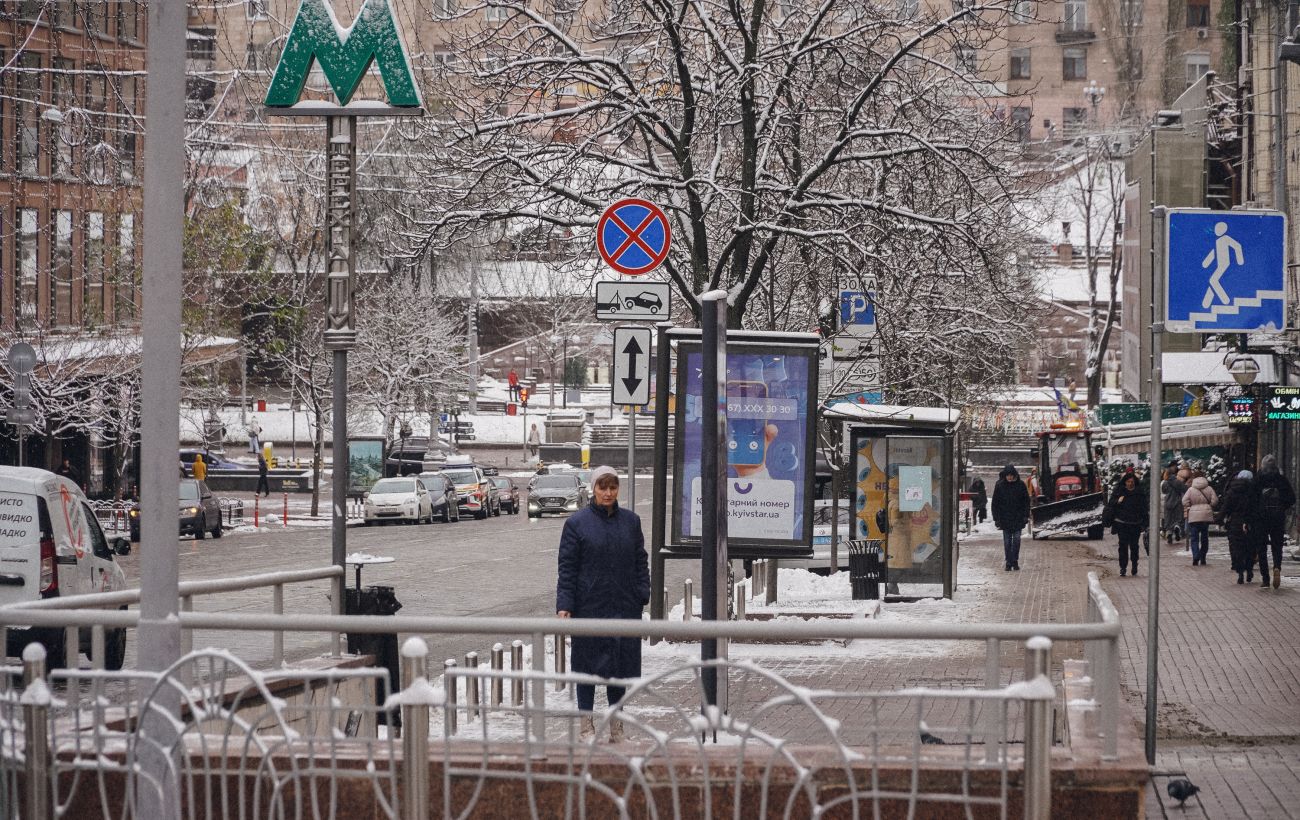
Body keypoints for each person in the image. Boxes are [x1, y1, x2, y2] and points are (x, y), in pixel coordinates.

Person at [555, 466, 649, 742]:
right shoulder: (577, 524)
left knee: (619, 670)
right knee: (586, 669)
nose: (608, 493)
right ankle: (586, 725)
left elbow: (640, 560)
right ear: (593, 489)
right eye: (602, 487)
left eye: (613, 487)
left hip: (623, 606)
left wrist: (642, 592)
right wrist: (565, 604)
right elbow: (567, 568)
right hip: (589, 607)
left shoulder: (631, 522)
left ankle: (617, 726)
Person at [1254, 454, 1294, 589]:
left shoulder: (1258, 480)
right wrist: (1282, 507)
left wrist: (1251, 517)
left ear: (1262, 466)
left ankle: (1265, 578)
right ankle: (1277, 567)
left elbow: (1250, 500)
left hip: (1261, 519)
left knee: (1261, 548)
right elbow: (1292, 498)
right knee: (1277, 546)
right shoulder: (1281, 479)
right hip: (1277, 518)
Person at [1218, 469, 1260, 585]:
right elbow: (1257, 507)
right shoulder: (1254, 491)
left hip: (1235, 523)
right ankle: (1249, 569)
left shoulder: (1232, 491)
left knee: (1237, 547)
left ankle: (1240, 572)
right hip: (1250, 523)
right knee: (1250, 547)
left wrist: (1220, 519)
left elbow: (1226, 507)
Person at [1106, 472, 1146, 577]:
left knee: (1134, 546)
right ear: (1125, 482)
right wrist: (1118, 501)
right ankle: (1123, 567)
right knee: (1123, 546)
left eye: (1132, 482)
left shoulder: (1139, 493)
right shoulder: (1119, 491)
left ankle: (1134, 564)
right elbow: (1111, 504)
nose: (1130, 484)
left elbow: (1144, 508)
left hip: (1135, 523)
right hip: (1122, 523)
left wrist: (1145, 523)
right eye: (1128, 481)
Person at [991, 465, 1030, 571]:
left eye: (1011, 475)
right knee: (1007, 542)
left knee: (1017, 540)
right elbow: (995, 503)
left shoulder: (1021, 485)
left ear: (1014, 475)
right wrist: (996, 518)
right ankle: (1009, 562)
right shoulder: (1000, 486)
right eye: (1008, 475)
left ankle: (1014, 560)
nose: (1009, 477)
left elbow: (1026, 501)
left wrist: (1026, 515)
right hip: (1005, 518)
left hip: (1018, 518)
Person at [1182, 470, 1218, 566]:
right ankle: (1203, 557)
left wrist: (1190, 506)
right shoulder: (1209, 488)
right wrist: (1209, 505)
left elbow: (1184, 501)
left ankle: (1195, 555)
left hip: (1194, 517)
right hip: (1206, 516)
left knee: (1194, 538)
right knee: (1204, 537)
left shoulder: (1191, 489)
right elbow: (1215, 500)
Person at [1161, 465, 1187, 544]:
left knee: (1168, 519)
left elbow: (1164, 491)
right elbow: (1185, 489)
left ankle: (1169, 533)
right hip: (1177, 502)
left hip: (1168, 503)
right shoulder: (1177, 482)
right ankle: (1177, 527)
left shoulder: (1165, 483)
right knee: (1178, 519)